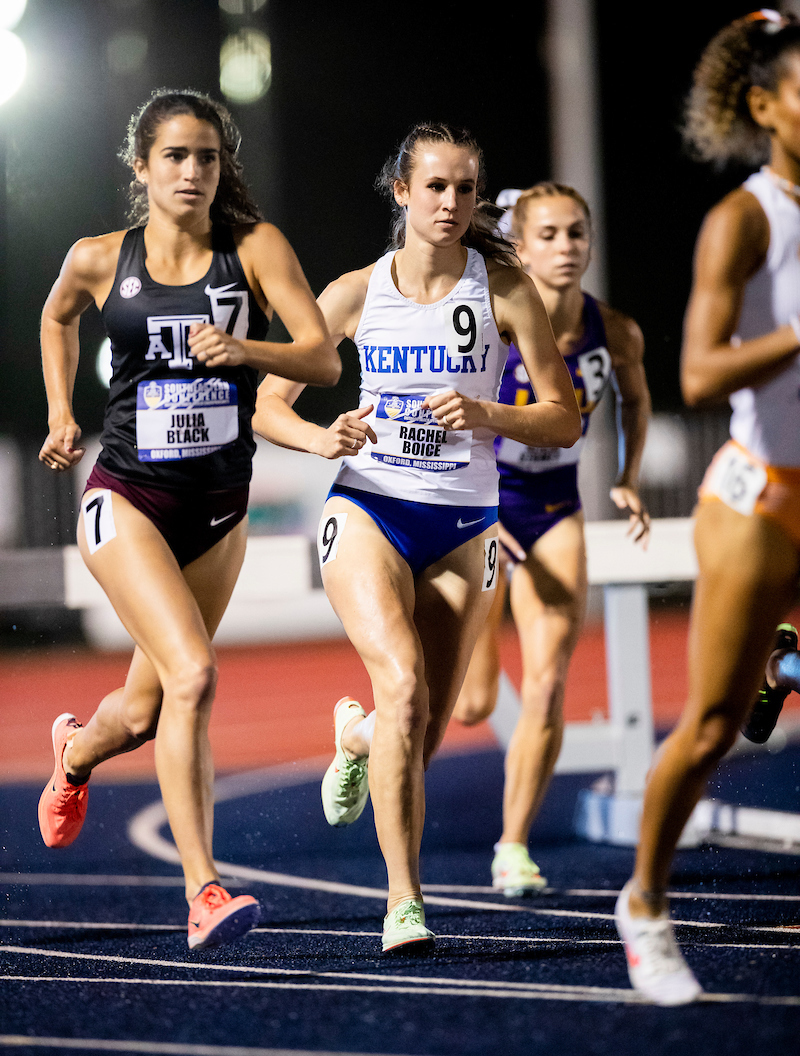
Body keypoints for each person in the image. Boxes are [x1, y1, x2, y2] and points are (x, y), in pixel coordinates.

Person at [252, 123, 581, 953]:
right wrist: (322, 438)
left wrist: (486, 413)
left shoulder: (504, 286)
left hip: (468, 523)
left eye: (467, 189)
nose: (451, 204)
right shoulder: (356, 294)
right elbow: (268, 409)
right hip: (371, 507)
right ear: (402, 192)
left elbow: (564, 414)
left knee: (421, 730)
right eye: (435, 187)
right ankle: (404, 901)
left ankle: (355, 737)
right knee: (401, 685)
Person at [37, 89, 340, 949]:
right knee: (194, 676)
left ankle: (76, 754)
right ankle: (204, 890)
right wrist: (63, 411)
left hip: (218, 509)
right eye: (175, 156)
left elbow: (320, 357)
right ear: (142, 167)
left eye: (207, 157)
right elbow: (57, 315)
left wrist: (247, 349)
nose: (193, 172)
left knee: (139, 714)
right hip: (125, 498)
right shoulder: (101, 258)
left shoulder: (254, 249)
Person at [614, 10, 800, 1004]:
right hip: (757, 497)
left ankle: (785, 658)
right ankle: (642, 904)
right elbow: (694, 369)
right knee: (706, 727)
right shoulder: (744, 218)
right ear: (764, 106)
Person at [451, 183, 651, 896]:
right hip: (481, 508)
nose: (566, 248)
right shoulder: (493, 325)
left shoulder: (615, 330)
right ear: (520, 245)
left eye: (577, 234)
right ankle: (359, 735)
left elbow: (635, 395)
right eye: (549, 235)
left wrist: (626, 476)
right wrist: (484, 511)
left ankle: (513, 846)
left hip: (556, 509)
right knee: (469, 703)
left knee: (547, 683)